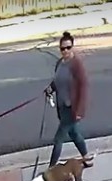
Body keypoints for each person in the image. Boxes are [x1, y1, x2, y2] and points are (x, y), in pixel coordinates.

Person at [44, 31, 94, 168]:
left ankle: (51, 169)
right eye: (62, 48)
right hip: (62, 106)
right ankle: (87, 158)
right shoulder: (60, 63)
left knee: (58, 139)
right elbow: (58, 81)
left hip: (72, 109)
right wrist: (50, 89)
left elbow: (84, 87)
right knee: (74, 133)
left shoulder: (76, 65)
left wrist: (79, 110)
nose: (65, 51)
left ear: (72, 47)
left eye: (68, 47)